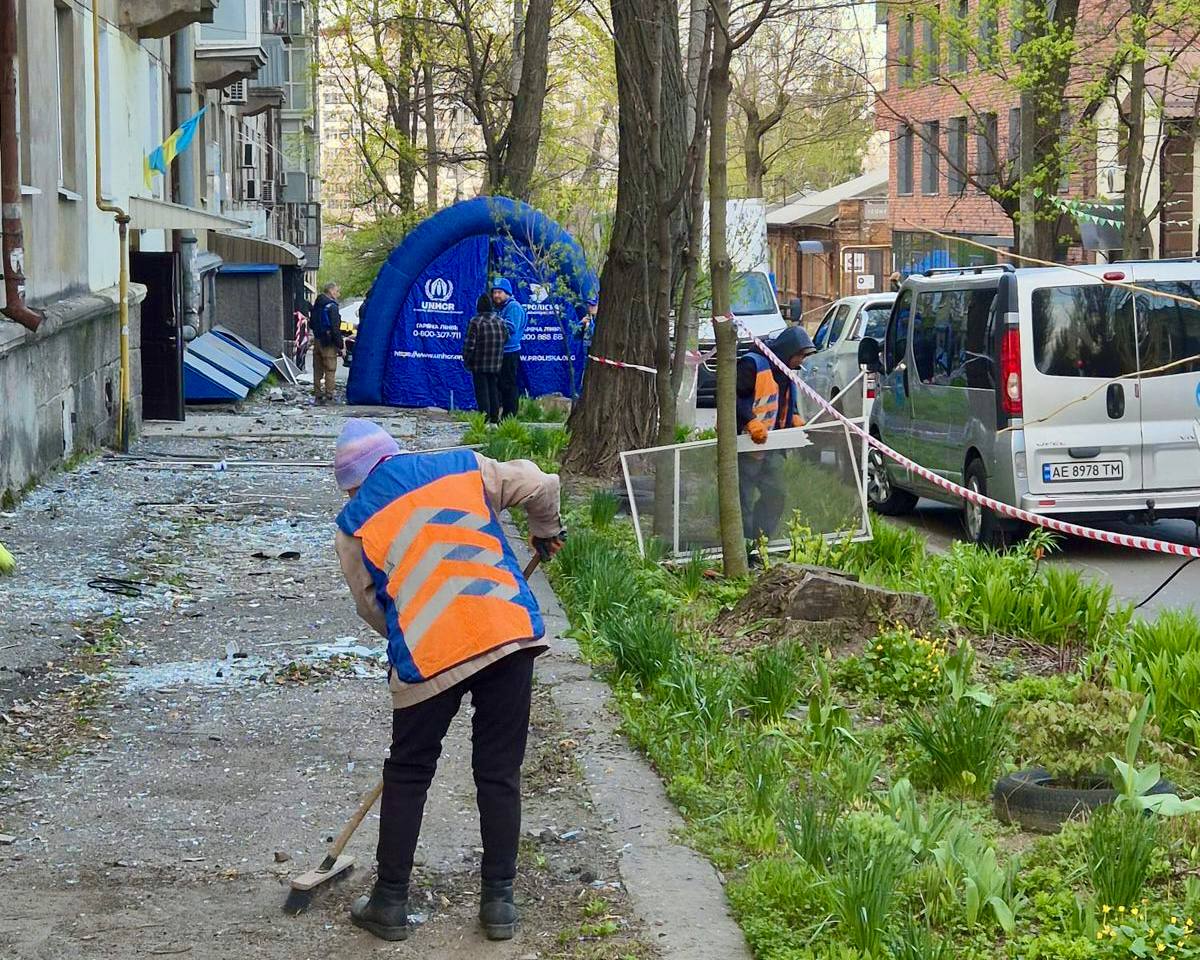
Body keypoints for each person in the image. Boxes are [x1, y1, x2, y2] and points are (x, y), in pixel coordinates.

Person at [332, 418, 566, 944]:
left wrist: (415, 621)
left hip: (428, 653)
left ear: (355, 483)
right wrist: (546, 530)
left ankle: (390, 901)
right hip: (505, 631)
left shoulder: (352, 526)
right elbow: (542, 484)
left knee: (409, 771)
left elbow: (372, 605)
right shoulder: (463, 466)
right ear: (394, 454)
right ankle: (499, 902)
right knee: (499, 771)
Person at [735, 325, 818, 548]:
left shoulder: (786, 371)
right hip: (745, 446)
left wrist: (794, 417)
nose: (801, 361)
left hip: (773, 446)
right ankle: (742, 547)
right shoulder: (751, 364)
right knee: (743, 499)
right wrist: (749, 421)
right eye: (800, 355)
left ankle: (760, 540)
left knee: (776, 494)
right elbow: (734, 398)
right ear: (788, 350)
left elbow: (784, 401)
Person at [462, 293, 506, 423]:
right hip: (496, 363)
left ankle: (484, 420)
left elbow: (470, 344)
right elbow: (506, 338)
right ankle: (494, 420)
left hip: (479, 363)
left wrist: (467, 359)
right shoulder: (500, 321)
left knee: (482, 392)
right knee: (493, 391)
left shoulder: (475, 321)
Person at [492, 277, 527, 419]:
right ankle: (500, 415)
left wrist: (492, 323)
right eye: (494, 292)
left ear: (507, 293)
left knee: (508, 385)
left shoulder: (513, 307)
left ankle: (509, 417)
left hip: (509, 352)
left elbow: (510, 328)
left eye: (499, 292)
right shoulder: (499, 308)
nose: (496, 295)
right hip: (499, 352)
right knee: (500, 385)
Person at [310, 281, 344, 404]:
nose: (338, 294)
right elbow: (335, 328)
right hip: (328, 343)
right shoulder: (332, 307)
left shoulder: (317, 305)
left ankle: (318, 395)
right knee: (330, 369)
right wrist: (340, 345)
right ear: (331, 291)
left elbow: (311, 324)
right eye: (337, 291)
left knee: (317, 369)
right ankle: (329, 395)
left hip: (317, 341)